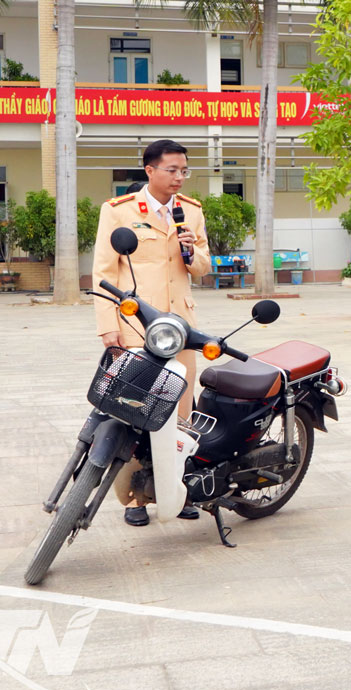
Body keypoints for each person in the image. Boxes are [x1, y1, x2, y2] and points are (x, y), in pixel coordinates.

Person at [92, 139, 210, 526]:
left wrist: (192, 253)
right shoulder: (119, 212)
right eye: (172, 170)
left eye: (184, 170)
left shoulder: (190, 213)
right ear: (150, 171)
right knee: (134, 414)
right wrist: (108, 327)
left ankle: (175, 491)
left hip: (181, 330)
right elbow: (105, 272)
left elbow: (204, 269)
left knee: (181, 413)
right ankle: (134, 500)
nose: (179, 177)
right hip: (137, 329)